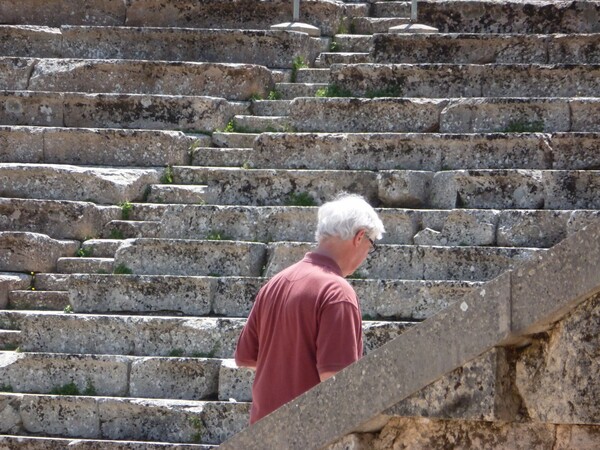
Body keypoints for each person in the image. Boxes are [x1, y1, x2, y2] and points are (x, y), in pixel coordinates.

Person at [234, 193, 385, 424]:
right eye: (370, 245)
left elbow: (245, 357)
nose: (367, 253)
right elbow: (336, 381)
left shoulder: (275, 283)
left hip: (262, 433)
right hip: (308, 434)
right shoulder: (337, 293)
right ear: (359, 236)